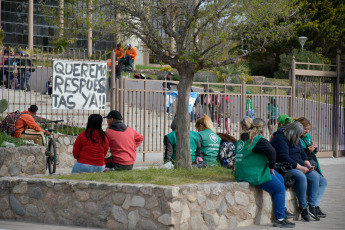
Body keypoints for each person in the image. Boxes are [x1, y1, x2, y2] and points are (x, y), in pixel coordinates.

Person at [235, 118, 295, 228]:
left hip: (241, 173)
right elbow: (272, 151)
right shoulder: (257, 139)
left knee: (280, 179)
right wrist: (272, 167)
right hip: (253, 174)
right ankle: (280, 218)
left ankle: (282, 208)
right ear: (261, 129)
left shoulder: (240, 140)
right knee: (279, 189)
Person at [270, 121, 322, 221]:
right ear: (293, 132)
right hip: (285, 166)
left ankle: (312, 206)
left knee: (315, 176)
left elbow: (302, 153)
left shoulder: (295, 137)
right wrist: (300, 168)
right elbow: (284, 157)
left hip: (298, 165)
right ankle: (303, 207)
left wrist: (307, 163)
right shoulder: (280, 138)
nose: (298, 137)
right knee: (301, 176)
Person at [296, 117, 327, 218]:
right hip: (302, 165)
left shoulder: (307, 136)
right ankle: (311, 205)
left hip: (311, 164)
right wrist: (309, 150)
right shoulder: (296, 138)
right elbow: (298, 154)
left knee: (323, 182)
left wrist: (314, 148)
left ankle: (316, 205)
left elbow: (313, 151)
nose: (307, 131)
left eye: (308, 129)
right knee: (315, 178)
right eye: (305, 129)